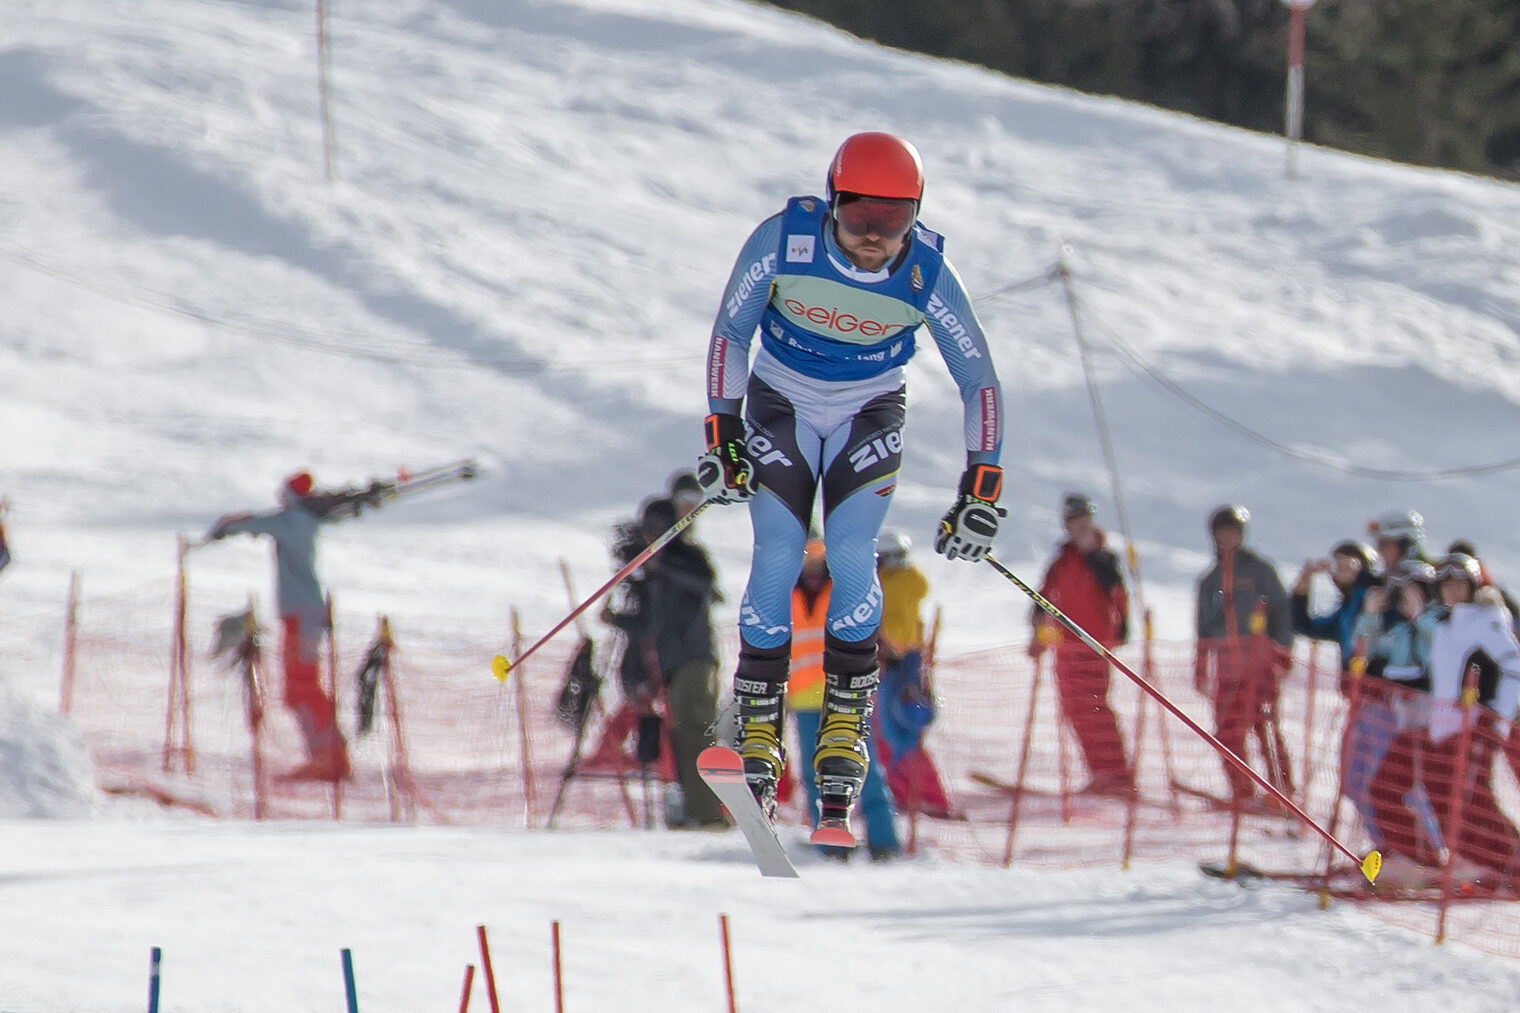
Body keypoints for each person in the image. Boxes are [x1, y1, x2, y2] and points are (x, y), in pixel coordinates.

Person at [696, 131, 1005, 826]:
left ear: (915, 215)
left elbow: (978, 377)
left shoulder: (924, 270)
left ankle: (844, 717)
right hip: (781, 398)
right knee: (779, 547)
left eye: (892, 221)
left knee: (850, 549)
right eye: (860, 216)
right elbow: (730, 332)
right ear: (834, 202)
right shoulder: (784, 242)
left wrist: (981, 487)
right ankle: (759, 717)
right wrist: (722, 429)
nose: (873, 237)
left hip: (869, 404)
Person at [206, 472, 365, 781]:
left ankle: (326, 757)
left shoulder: (293, 521)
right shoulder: (302, 520)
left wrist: (227, 525)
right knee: (302, 686)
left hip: (300, 614)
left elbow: (259, 522)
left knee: (301, 687)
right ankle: (326, 753)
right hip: (305, 613)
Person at [787, 537, 901, 859]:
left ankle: (884, 843)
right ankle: (831, 843)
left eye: (817, 550)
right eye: (805, 550)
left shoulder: (843, 585)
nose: (811, 557)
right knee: (815, 774)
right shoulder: (786, 590)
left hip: (845, 693)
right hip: (805, 697)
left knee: (862, 767)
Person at [1422, 552, 1520, 889]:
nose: (1452, 590)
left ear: (1473, 585)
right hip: (1444, 728)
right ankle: (1492, 866)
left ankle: (1512, 866)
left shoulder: (1486, 618)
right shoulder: (1446, 623)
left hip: (1473, 727)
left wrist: (1498, 720)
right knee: (1443, 801)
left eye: (1459, 583)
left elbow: (1515, 667)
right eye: (1445, 584)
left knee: (1473, 804)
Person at [1028, 493, 1133, 796]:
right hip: (1065, 647)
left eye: (1084, 519)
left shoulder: (1102, 557)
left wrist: (1122, 629)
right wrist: (1037, 632)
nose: (1079, 526)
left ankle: (1117, 774)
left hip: (1094, 644)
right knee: (1074, 710)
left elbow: (1118, 594)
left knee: (1094, 707)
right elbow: (1043, 598)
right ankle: (1100, 772)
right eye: (1074, 521)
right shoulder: (1062, 560)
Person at [1349, 560, 1445, 877]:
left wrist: (1419, 615)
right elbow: (1364, 652)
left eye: (1412, 593)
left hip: (1432, 727)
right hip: (1404, 723)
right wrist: (1371, 615)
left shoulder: (1435, 623)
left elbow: (1436, 656)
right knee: (1382, 787)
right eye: (1401, 595)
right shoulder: (1399, 629)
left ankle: (1430, 856)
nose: (1405, 601)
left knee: (1420, 793)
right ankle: (1405, 851)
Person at [1193, 504, 1293, 803]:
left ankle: (1281, 791)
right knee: (1227, 732)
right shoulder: (1210, 581)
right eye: (1222, 532)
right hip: (1227, 670)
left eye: (1232, 532)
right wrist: (1200, 668)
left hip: (1259, 667)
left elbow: (1281, 612)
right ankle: (1241, 791)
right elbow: (1203, 630)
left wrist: (1282, 653)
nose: (1227, 538)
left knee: (1265, 726)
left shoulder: (1259, 571)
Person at [874, 530, 953, 818]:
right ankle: (913, 793)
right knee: (902, 730)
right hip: (906, 661)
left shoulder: (889, 584)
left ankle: (913, 794)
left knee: (891, 731)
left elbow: (892, 627)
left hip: (892, 664)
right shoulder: (910, 580)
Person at [1290, 540, 1380, 691]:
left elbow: (1373, 583)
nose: (1342, 568)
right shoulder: (1344, 611)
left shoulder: (1371, 596)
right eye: (1338, 563)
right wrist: (1303, 586)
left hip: (1376, 685)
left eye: (1349, 562)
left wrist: (1358, 574)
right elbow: (1305, 626)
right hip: (1353, 689)